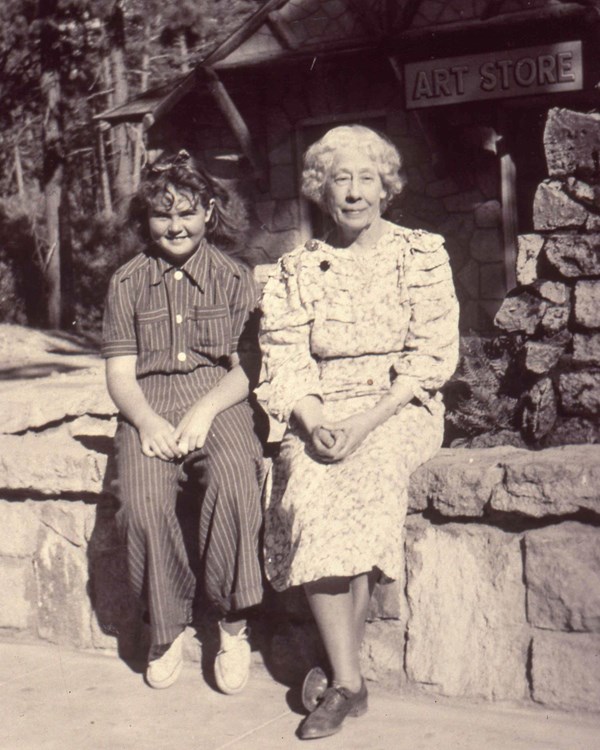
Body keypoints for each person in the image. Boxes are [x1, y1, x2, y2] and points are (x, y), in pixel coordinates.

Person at [257, 125, 459, 740]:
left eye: (365, 178)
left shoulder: (420, 253)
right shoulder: (298, 268)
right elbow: (285, 356)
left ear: (385, 187)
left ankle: (341, 683)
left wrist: (365, 423)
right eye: (339, 179)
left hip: (398, 406)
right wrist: (314, 422)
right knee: (310, 492)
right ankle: (351, 680)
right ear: (321, 189)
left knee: (368, 478)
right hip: (320, 410)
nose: (352, 193)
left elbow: (431, 354)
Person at [102, 149, 264, 694]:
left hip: (218, 399)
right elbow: (121, 374)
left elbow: (248, 369)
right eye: (162, 214)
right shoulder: (126, 282)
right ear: (144, 220)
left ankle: (232, 623)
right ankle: (166, 629)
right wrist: (146, 424)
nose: (175, 226)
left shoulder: (235, 277)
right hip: (148, 403)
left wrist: (204, 410)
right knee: (142, 505)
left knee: (236, 481)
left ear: (210, 212)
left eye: (187, 212)